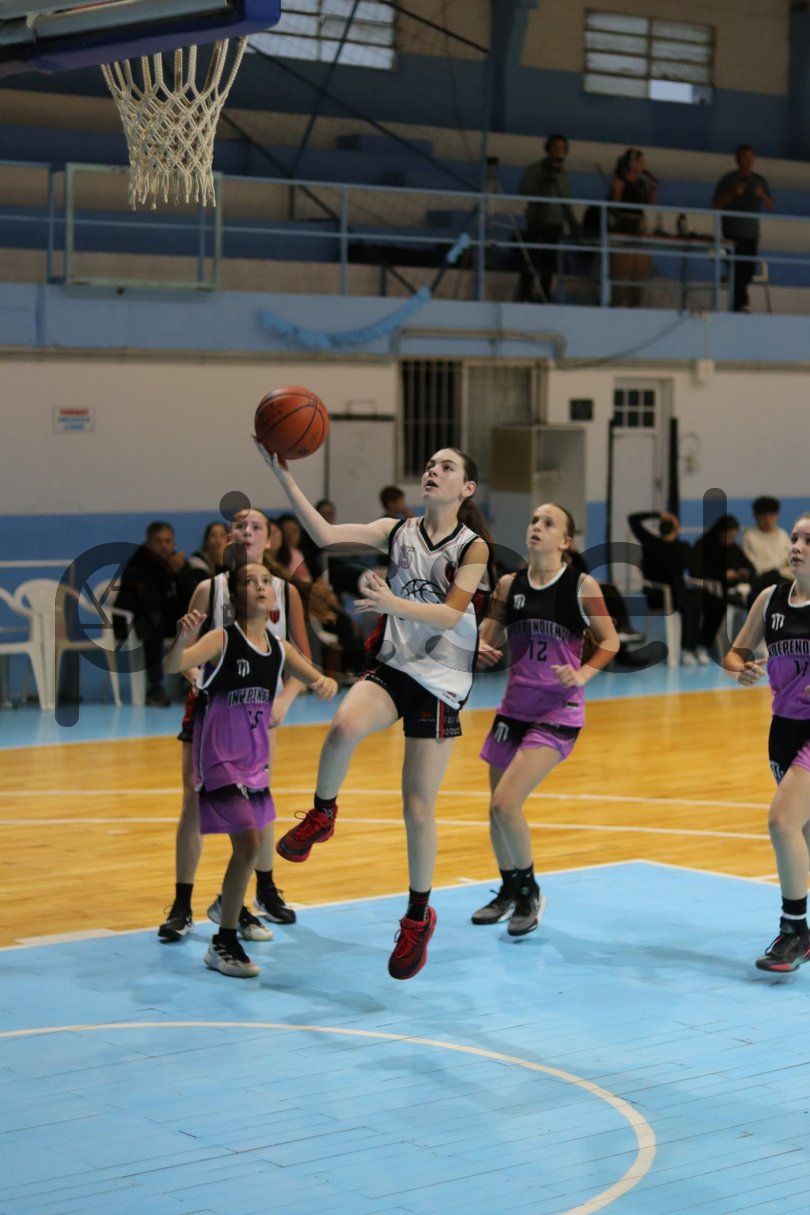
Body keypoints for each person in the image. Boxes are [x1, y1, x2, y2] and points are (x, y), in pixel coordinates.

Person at [259, 441, 491, 980]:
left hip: (441, 682)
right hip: (397, 665)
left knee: (417, 808)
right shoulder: (397, 530)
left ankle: (417, 917)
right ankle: (323, 814)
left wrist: (391, 604)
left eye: (446, 467)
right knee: (343, 725)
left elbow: (450, 613)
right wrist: (283, 475)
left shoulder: (473, 547)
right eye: (429, 464)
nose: (433, 471)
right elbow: (325, 534)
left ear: (466, 488)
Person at [165, 564, 337, 977]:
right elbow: (174, 665)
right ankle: (223, 942)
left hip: (254, 764)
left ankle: (226, 908)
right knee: (248, 846)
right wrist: (183, 639)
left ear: (274, 598)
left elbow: (318, 679)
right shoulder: (222, 639)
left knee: (250, 847)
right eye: (249, 582)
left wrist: (325, 684)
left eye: (265, 582)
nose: (260, 586)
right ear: (234, 598)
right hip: (219, 760)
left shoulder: (280, 649)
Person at [158, 507, 310, 944]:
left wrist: (285, 698)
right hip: (213, 710)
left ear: (270, 539)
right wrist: (197, 678)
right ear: (229, 539)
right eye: (239, 526)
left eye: (256, 526)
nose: (246, 531)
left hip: (259, 712)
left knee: (258, 799)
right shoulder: (210, 589)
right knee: (194, 798)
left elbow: (302, 660)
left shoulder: (284, 592)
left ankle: (260, 891)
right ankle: (182, 904)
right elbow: (185, 653)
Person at [472, 504, 619, 933]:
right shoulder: (508, 585)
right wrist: (478, 646)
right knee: (495, 810)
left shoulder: (580, 586)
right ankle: (508, 889)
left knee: (506, 803)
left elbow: (610, 641)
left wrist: (582, 674)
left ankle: (529, 893)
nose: (537, 526)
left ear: (565, 542)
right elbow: (487, 638)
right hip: (513, 708)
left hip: (558, 710)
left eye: (548, 523)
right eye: (534, 520)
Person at [722, 511, 810, 972]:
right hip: (784, 728)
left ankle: (794, 932)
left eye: (808, 540)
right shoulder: (770, 599)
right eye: (794, 538)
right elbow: (734, 653)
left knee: (781, 821)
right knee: (803, 833)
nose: (796, 546)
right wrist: (741, 668)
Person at [114, 520, 198, 706]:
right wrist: (168, 572)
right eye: (158, 541)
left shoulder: (178, 563)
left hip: (167, 620)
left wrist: (179, 574)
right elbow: (149, 601)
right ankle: (155, 686)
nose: (164, 546)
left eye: (168, 541)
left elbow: (191, 596)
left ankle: (191, 681)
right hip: (134, 623)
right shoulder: (138, 564)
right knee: (153, 622)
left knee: (195, 620)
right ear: (148, 543)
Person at [628, 509, 704, 666]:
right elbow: (633, 519)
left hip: (680, 591)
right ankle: (685, 649)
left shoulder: (681, 547)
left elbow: (694, 568)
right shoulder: (651, 543)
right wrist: (659, 514)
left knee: (699, 603)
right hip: (660, 595)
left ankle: (694, 646)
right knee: (689, 608)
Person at [712, 145, 774, 312]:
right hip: (732, 233)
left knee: (747, 270)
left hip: (751, 233)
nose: (748, 162)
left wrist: (762, 195)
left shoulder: (759, 180)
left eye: (751, 158)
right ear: (737, 160)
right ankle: (739, 306)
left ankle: (739, 305)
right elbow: (715, 205)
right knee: (737, 269)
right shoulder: (728, 180)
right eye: (745, 158)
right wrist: (733, 193)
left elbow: (770, 205)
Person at [518, 134, 579, 303]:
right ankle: (525, 294)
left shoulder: (563, 174)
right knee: (530, 260)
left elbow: (565, 201)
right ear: (547, 148)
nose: (558, 151)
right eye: (555, 147)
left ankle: (545, 295)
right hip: (536, 220)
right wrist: (542, 185)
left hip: (555, 223)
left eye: (561, 148)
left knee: (550, 262)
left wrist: (573, 225)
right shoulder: (535, 169)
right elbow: (524, 189)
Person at [689, 514, 754, 660]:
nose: (731, 539)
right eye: (728, 535)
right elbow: (696, 571)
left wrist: (744, 572)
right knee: (717, 606)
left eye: (733, 536)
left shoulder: (733, 548)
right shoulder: (704, 545)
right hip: (709, 590)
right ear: (719, 533)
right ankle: (703, 644)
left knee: (757, 600)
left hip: (735, 589)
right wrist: (721, 575)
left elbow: (750, 567)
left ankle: (749, 644)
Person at [609, 149, 657, 306]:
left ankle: (635, 302)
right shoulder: (620, 182)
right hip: (623, 229)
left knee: (639, 272)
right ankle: (617, 303)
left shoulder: (641, 183)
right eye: (640, 162)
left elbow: (649, 203)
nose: (644, 165)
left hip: (639, 228)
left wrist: (653, 188)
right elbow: (615, 206)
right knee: (621, 273)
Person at [742, 496, 793, 596]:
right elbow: (754, 564)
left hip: (785, 577)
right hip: (763, 579)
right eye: (764, 516)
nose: (768, 519)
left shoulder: (782, 534)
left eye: (772, 515)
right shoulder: (749, 536)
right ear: (756, 516)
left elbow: (790, 558)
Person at [278, 513, 312, 584]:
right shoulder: (276, 554)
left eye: (294, 531)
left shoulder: (299, 553)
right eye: (286, 531)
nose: (290, 535)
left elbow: (306, 581)